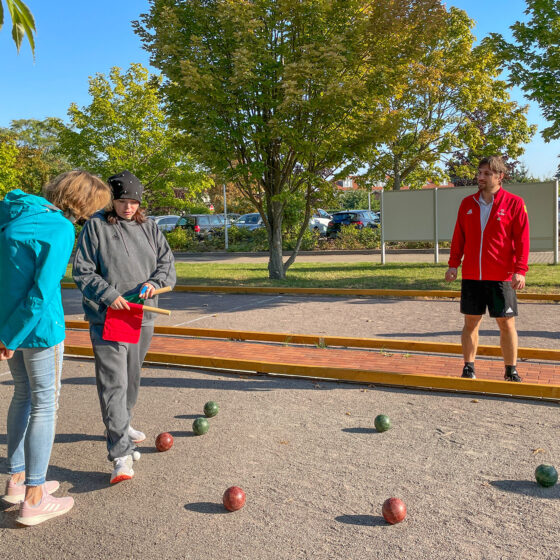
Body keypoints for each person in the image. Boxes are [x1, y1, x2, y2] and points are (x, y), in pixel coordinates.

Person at [0, 171, 112, 526]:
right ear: (83, 202)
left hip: (8, 325)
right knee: (45, 403)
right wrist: (11, 337)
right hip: (38, 330)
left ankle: (17, 479)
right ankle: (34, 496)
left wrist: (6, 334)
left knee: (23, 396)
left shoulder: (14, 212)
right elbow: (41, 293)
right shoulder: (60, 228)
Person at [72, 170, 176, 484]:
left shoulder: (151, 228)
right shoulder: (96, 227)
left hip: (141, 314)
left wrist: (155, 283)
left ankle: (123, 421)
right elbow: (83, 272)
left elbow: (167, 265)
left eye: (133, 201)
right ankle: (120, 454)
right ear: (111, 200)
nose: (128, 207)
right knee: (113, 383)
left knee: (131, 376)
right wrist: (109, 295)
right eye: (121, 200)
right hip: (109, 316)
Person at [445, 156, 529, 382]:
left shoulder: (514, 203)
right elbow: (458, 237)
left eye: (486, 174)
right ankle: (468, 367)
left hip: (501, 276)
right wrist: (454, 264)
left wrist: (520, 270)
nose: (480, 177)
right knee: (471, 322)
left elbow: (522, 240)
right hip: (472, 275)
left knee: (506, 322)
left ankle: (511, 370)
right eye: (479, 173)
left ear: (499, 176)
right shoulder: (467, 203)